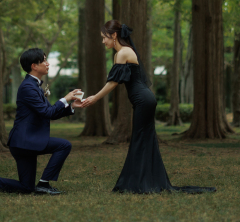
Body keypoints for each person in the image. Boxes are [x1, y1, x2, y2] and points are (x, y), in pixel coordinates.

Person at [81, 20, 216, 194]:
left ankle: (138, 184)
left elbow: (113, 82)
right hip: (143, 100)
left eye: (104, 37)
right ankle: (144, 181)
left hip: (144, 101)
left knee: (139, 140)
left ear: (114, 35)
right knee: (145, 140)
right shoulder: (120, 53)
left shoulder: (123, 52)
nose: (102, 41)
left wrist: (95, 98)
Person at [0, 48, 82, 196]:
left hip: (23, 143)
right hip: (26, 141)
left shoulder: (33, 86)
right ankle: (44, 184)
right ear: (34, 66)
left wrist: (71, 106)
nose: (48, 64)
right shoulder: (28, 87)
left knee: (26, 188)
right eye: (44, 60)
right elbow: (48, 112)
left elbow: (49, 114)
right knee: (64, 145)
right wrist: (65, 99)